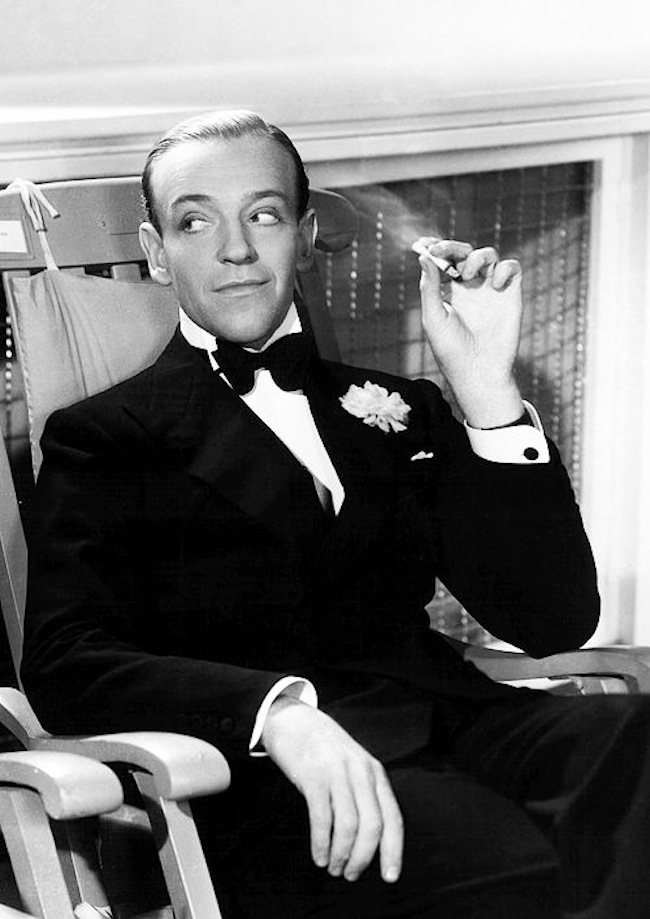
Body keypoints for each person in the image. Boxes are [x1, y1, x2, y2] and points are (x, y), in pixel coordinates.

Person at [20, 110, 650, 919]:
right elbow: (66, 659)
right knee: (515, 860)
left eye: (263, 214)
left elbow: (551, 617)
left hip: (460, 719)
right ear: (156, 250)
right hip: (276, 782)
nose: (235, 248)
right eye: (194, 221)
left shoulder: (394, 408)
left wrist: (487, 388)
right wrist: (278, 712)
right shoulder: (104, 437)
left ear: (306, 235)